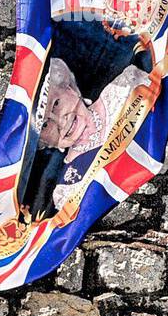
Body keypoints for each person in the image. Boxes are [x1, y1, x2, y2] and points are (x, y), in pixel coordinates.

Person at [35, 57, 150, 210]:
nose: (60, 122)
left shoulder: (126, 87)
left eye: (56, 103)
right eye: (44, 125)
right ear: (42, 141)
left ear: (69, 88)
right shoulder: (67, 191)